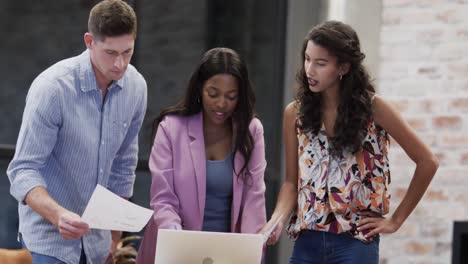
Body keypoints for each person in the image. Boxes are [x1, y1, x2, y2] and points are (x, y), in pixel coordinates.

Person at [262, 20, 439, 264]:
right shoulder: (295, 114)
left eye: (320, 63)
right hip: (307, 242)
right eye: (307, 59)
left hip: (355, 243)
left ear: (343, 67)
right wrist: (276, 220)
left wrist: (395, 221)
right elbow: (292, 183)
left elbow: (427, 161)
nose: (309, 70)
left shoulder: (374, 109)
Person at [6, 0, 147, 263]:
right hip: (49, 236)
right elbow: (22, 170)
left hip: (99, 238)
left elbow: (123, 167)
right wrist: (58, 214)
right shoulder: (52, 88)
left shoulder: (136, 87)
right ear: (89, 41)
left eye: (127, 52)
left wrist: (114, 238)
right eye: (110, 52)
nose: (119, 64)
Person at [137, 47, 267, 263]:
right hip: (176, 249)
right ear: (199, 88)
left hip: (228, 253)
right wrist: (180, 244)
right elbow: (163, 198)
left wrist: (251, 252)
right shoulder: (171, 128)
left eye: (231, 96)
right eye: (213, 94)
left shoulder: (251, 131)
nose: (221, 104)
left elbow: (254, 200)